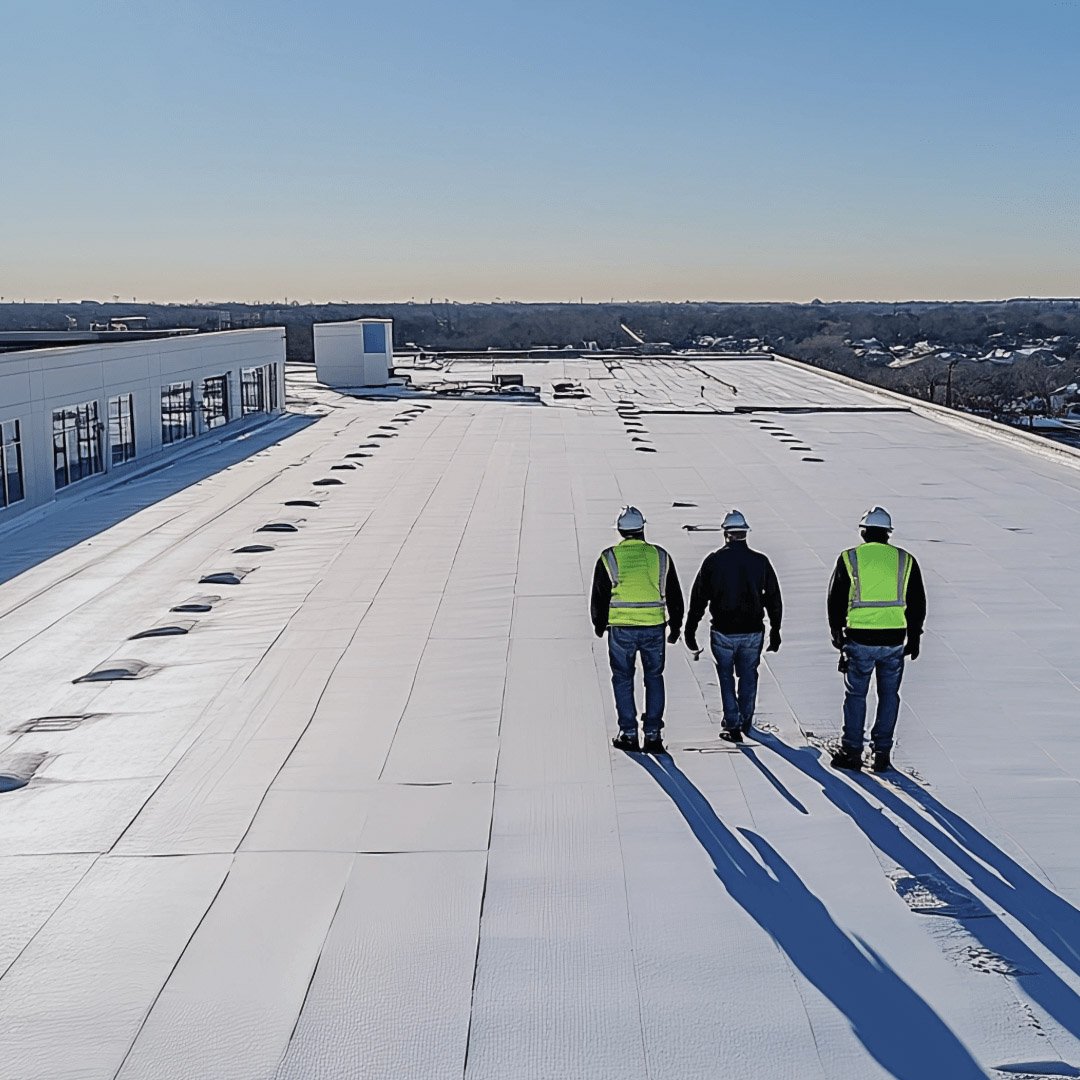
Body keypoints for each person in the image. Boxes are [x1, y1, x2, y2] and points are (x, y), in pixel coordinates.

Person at [827, 505, 926, 773]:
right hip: (894, 640)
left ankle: (852, 751)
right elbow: (918, 602)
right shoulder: (905, 560)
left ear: (864, 531)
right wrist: (914, 637)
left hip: (859, 638)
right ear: (888, 533)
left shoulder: (850, 558)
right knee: (889, 695)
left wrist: (837, 633)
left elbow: (835, 599)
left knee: (856, 695)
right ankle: (882, 753)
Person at [590, 506, 684, 754]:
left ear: (620, 530)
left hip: (621, 629)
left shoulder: (609, 557)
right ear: (642, 528)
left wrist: (599, 624)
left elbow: (599, 595)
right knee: (654, 678)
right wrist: (676, 625)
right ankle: (653, 735)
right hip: (654, 627)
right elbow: (674, 593)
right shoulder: (660, 556)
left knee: (622, 679)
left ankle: (628, 733)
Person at [683, 509, 782, 743]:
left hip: (723, 631)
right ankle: (745, 719)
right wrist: (776, 630)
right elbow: (774, 599)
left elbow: (699, 597)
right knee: (749, 675)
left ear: (726, 533)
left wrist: (690, 628)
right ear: (745, 534)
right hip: (752, 631)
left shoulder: (714, 561)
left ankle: (732, 723)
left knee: (725, 675)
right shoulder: (760, 561)